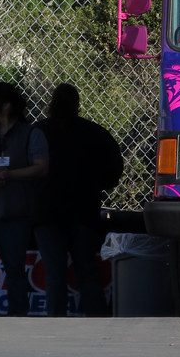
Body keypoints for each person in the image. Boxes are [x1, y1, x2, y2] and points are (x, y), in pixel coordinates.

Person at [34, 83, 124, 317]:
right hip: (83, 210)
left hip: (47, 212)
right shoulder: (94, 133)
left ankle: (56, 322)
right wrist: (97, 186)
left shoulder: (39, 132)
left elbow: (25, 168)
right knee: (87, 269)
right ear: (77, 105)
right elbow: (115, 168)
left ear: (51, 103)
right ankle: (96, 321)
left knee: (54, 272)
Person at [0, 81, 49, 316]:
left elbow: (40, 168)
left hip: (16, 213)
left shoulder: (32, 134)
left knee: (15, 267)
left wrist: (11, 175)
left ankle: (18, 315)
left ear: (6, 105)